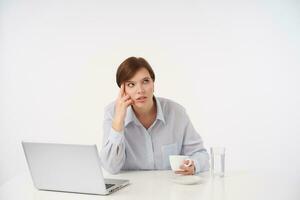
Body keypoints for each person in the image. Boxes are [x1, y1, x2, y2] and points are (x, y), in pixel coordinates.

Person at [100, 57, 209, 175]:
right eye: (131, 84)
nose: (140, 90)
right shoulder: (112, 113)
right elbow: (110, 167)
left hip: (170, 190)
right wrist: (118, 122)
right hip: (131, 191)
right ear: (123, 90)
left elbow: (200, 154)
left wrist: (194, 165)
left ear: (153, 84)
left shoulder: (176, 112)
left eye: (145, 81)